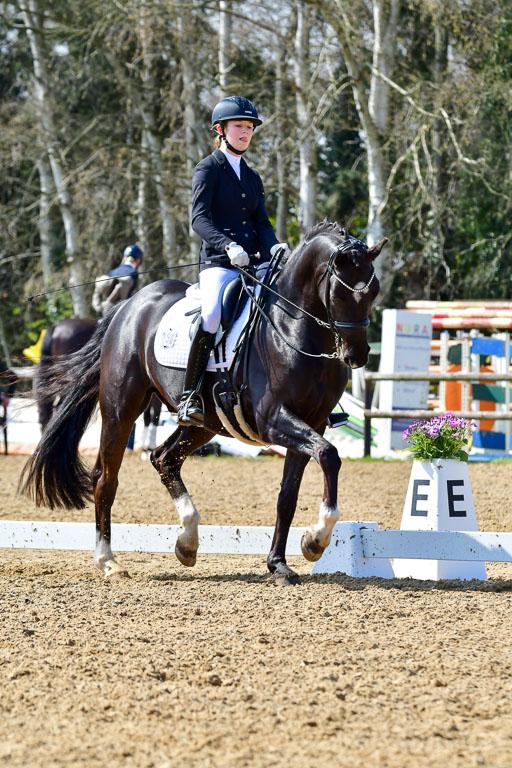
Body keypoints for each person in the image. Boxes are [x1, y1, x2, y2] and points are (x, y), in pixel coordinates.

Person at [177, 95, 290, 426]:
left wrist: (274, 247)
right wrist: (226, 245)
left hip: (254, 264)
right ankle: (190, 396)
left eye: (250, 127)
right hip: (219, 264)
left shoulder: (253, 177)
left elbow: (262, 224)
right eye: (239, 126)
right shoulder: (208, 168)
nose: (246, 131)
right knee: (212, 313)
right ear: (221, 129)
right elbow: (199, 219)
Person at [92, 244, 143, 317]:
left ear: (125, 258)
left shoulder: (113, 272)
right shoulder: (133, 273)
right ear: (138, 261)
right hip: (122, 312)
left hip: (107, 311)